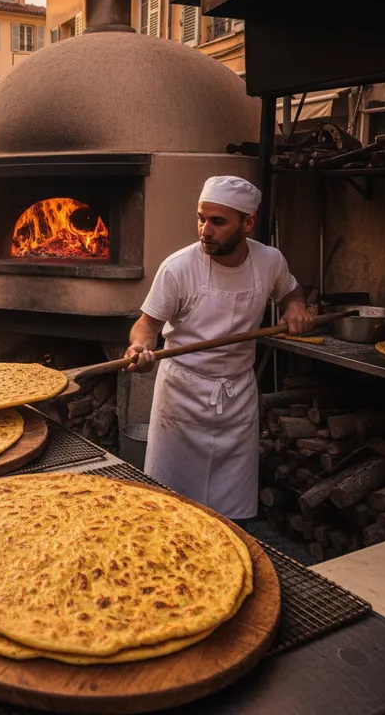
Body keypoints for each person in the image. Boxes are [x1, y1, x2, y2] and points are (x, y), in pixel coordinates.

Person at [125, 176, 314, 521]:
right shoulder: (179, 267)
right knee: (171, 506)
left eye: (217, 221)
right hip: (182, 396)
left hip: (236, 395)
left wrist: (295, 306)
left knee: (230, 510)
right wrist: (140, 347)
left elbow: (290, 290)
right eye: (201, 219)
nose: (205, 230)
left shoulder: (269, 261)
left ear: (248, 223)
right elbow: (147, 324)